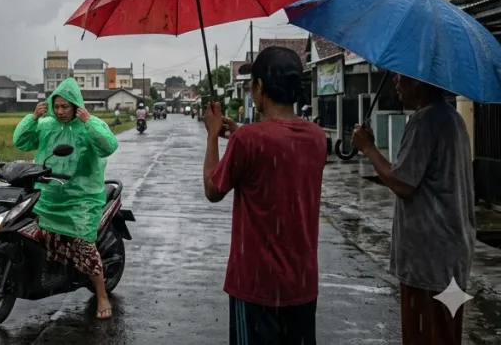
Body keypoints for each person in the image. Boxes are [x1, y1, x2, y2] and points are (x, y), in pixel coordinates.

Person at [203, 46, 327, 344]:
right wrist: (239, 133)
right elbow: (278, 146)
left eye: (251, 83)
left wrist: (212, 134)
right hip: (301, 283)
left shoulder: (249, 140)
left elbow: (212, 189)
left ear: (259, 87)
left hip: (257, 285)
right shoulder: (317, 137)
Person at [351, 75, 475, 345]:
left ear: (417, 81)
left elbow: (402, 183)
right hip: (452, 257)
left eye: (400, 77)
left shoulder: (425, 121)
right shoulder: (452, 118)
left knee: (425, 335)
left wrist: (368, 148)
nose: (396, 83)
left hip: (428, 261)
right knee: (446, 333)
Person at [13, 78, 120, 320]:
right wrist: (32, 118)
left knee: (83, 244)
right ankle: (53, 268)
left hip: (82, 198)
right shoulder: (47, 125)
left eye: (65, 107)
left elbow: (109, 146)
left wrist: (89, 121)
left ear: (76, 106)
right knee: (38, 234)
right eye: (57, 106)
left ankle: (101, 294)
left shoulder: (88, 125)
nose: (60, 111)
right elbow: (20, 142)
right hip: (49, 194)